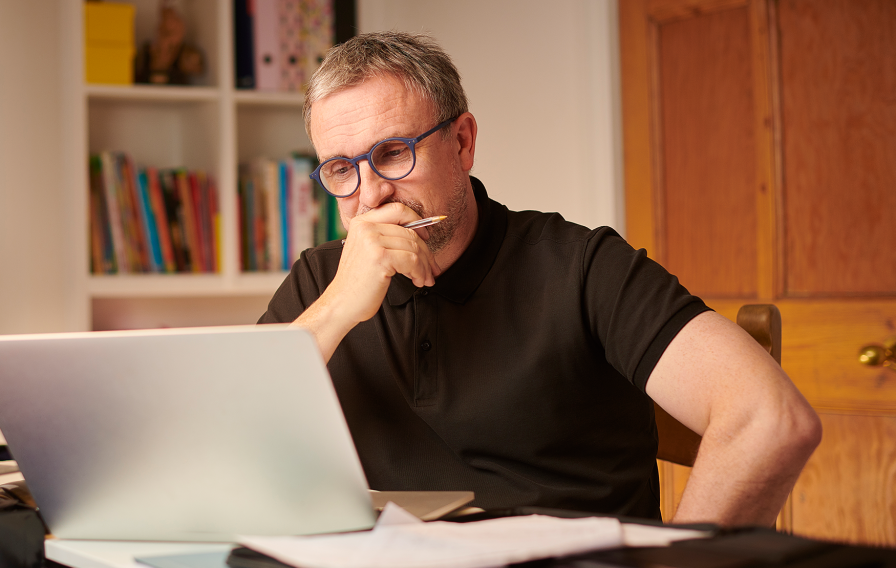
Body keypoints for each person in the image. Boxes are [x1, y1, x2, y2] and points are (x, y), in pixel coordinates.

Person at [258, 31, 821, 525]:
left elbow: (770, 419)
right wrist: (336, 310)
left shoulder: (583, 267)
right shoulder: (320, 281)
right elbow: (225, 449)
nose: (372, 193)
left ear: (462, 143)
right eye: (341, 169)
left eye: (393, 153)